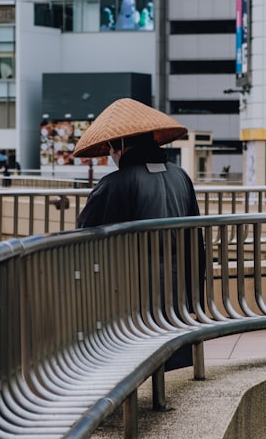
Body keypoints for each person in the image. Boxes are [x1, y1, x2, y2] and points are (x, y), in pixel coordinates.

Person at [73, 98, 203, 370]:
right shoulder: (181, 177)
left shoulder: (115, 184)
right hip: (180, 290)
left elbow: (85, 237)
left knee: (136, 360)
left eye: (111, 147)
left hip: (133, 295)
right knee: (175, 358)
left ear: (119, 145)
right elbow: (196, 235)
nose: (110, 153)